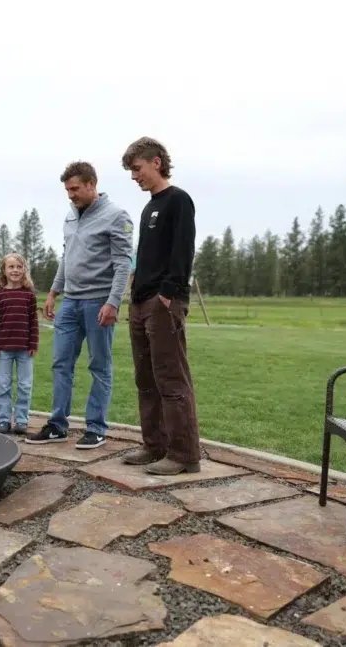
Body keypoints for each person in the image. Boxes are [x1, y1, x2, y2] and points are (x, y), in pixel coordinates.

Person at [26, 161, 133, 449]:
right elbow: (66, 256)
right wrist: (53, 292)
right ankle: (57, 426)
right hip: (70, 303)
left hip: (99, 303)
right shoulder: (70, 217)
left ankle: (96, 428)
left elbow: (123, 264)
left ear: (91, 184)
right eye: (67, 190)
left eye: (74, 189)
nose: (70, 195)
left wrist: (113, 303)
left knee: (100, 366)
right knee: (61, 364)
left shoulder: (116, 216)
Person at [121, 136, 201, 475]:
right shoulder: (148, 207)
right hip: (141, 302)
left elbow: (183, 251)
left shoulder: (178, 201)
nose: (133, 176)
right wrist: (136, 290)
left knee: (171, 378)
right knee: (146, 379)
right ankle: (155, 446)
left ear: (156, 162)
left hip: (163, 304)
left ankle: (184, 455)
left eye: (136, 169)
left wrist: (168, 294)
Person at [0, 253, 39, 435]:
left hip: (25, 349)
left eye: (19, 267)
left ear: (24, 270)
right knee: (3, 385)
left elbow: (34, 322)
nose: (15, 270)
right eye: (11, 267)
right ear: (4, 270)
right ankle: (3, 421)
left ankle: (22, 421)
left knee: (25, 385)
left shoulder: (29, 295)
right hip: (3, 349)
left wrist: (33, 344)